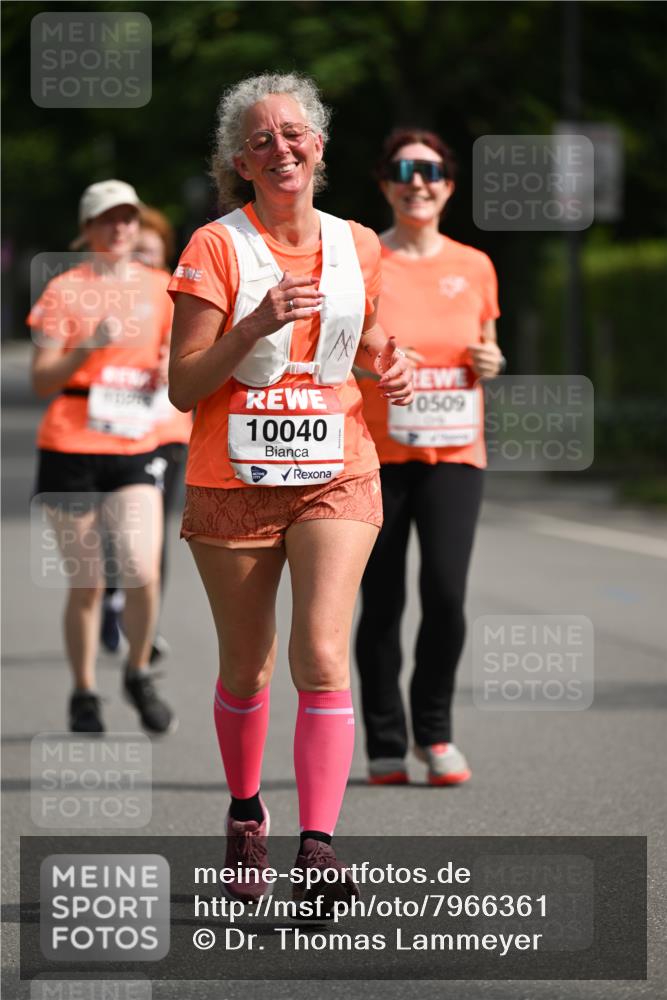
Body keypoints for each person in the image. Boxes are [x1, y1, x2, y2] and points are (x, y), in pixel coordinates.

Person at [167, 73, 412, 907]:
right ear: (241, 159)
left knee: (319, 650)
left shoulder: (358, 243)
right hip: (231, 479)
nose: (283, 148)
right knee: (248, 666)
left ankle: (318, 844)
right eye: (263, 139)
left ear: (319, 145)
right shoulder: (213, 246)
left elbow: (366, 329)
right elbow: (182, 384)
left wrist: (392, 358)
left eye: (295, 133)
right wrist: (256, 323)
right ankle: (245, 814)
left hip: (336, 470)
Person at [355, 129, 504, 787]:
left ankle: (435, 734)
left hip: (453, 453)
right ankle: (386, 742)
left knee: (444, 594)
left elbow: (485, 348)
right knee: (379, 601)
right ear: (385, 182)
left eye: (433, 170)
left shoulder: (474, 264)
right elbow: (335, 356)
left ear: (449, 183)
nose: (419, 181)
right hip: (374, 453)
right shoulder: (363, 261)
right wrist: (380, 367)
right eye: (404, 170)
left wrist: (492, 363)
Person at [29, 179, 176, 735]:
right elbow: (42, 379)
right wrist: (85, 351)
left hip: (136, 442)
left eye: (128, 219)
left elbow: (181, 355)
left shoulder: (163, 287)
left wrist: (170, 367)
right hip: (71, 443)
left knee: (140, 568)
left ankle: (137, 671)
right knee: (87, 581)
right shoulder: (64, 291)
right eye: (108, 220)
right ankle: (84, 691)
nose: (120, 229)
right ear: (88, 229)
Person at [100, 206, 192, 661]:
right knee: (117, 528)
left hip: (166, 429)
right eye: (138, 253)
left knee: (152, 532)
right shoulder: (111, 295)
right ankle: (112, 595)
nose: (144, 262)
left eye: (152, 254)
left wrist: (167, 361)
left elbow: (193, 346)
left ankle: (145, 624)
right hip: (113, 429)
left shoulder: (176, 294)